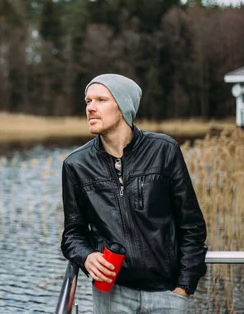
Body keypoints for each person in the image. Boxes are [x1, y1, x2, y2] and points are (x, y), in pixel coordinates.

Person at [61, 74, 207, 313]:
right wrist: (86, 256)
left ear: (123, 106)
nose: (91, 108)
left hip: (166, 294)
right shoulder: (76, 165)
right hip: (112, 294)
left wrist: (184, 287)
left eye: (101, 100)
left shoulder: (164, 151)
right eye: (88, 101)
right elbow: (72, 234)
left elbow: (191, 225)